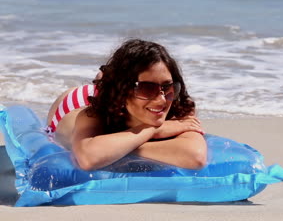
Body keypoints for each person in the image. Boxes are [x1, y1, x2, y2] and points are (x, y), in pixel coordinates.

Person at [46, 39, 207, 171]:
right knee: (102, 88)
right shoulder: (94, 114)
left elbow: (196, 157)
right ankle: (105, 79)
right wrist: (154, 130)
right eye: (147, 88)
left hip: (122, 101)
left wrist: (121, 148)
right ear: (123, 91)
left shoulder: (178, 106)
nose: (162, 99)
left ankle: (112, 79)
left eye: (168, 87)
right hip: (72, 106)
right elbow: (88, 158)